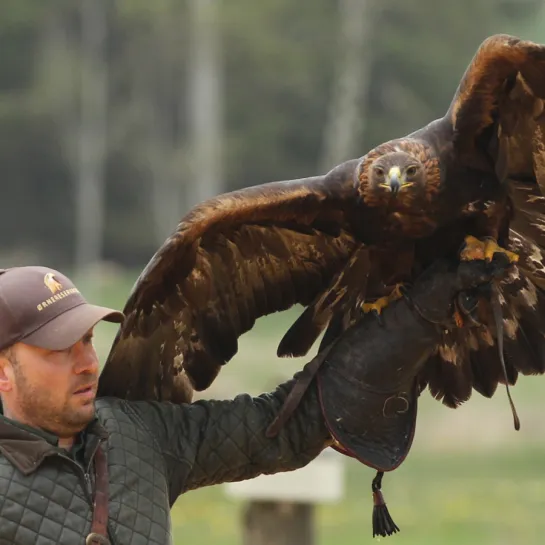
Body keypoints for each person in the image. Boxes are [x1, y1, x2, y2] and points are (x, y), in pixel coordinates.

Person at [0, 257, 508, 545]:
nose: (88, 362)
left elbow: (279, 428)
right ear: (4, 370)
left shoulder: (138, 433)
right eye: (60, 351)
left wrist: (411, 324)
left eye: (88, 340)